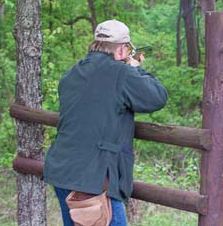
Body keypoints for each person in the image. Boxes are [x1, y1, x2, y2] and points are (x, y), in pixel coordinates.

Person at [43, 20, 168, 226]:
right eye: (128, 49)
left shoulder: (72, 73)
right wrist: (135, 68)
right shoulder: (122, 72)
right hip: (93, 179)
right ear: (121, 50)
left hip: (62, 170)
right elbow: (157, 97)